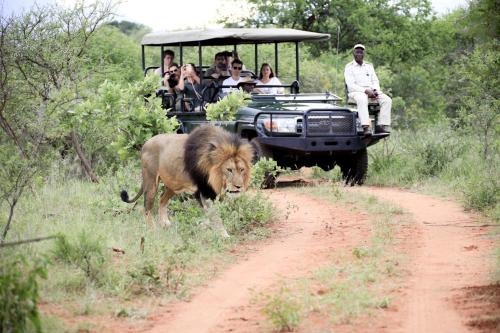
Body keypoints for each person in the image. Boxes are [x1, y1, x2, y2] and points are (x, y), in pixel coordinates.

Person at [344, 44, 391, 135]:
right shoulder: (349, 67)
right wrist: (365, 91)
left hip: (371, 91)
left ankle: (380, 126)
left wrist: (375, 91)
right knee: (362, 98)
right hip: (356, 92)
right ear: (353, 53)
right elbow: (351, 85)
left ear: (364, 53)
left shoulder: (369, 66)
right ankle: (366, 127)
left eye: (361, 52)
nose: (359, 53)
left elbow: (375, 80)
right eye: (357, 51)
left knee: (387, 100)